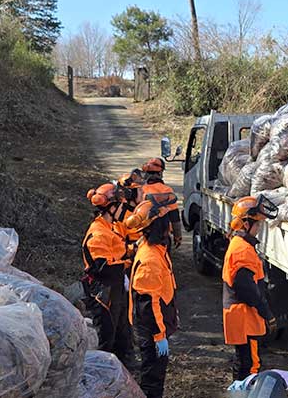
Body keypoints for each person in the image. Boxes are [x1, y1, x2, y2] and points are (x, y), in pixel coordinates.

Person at [125, 196, 180, 398]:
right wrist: (159, 336)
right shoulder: (150, 259)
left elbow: (163, 292)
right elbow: (147, 304)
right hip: (151, 331)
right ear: (159, 226)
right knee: (152, 380)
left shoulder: (158, 250)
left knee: (155, 376)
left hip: (157, 326)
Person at [223, 196, 278, 382]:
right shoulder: (242, 251)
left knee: (243, 361)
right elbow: (248, 291)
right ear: (246, 224)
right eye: (258, 225)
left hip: (241, 315)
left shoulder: (240, 245)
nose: (259, 229)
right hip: (245, 317)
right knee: (251, 365)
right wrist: (267, 314)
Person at [81, 183, 134, 367]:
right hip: (103, 290)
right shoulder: (97, 233)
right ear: (111, 207)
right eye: (121, 205)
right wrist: (127, 261)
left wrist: (131, 251)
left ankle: (124, 367)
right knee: (107, 334)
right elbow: (103, 266)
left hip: (116, 286)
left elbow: (117, 251)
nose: (124, 210)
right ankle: (101, 371)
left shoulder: (112, 227)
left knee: (122, 329)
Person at [140, 158, 184, 249]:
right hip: (160, 237)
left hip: (140, 236)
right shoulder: (166, 190)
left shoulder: (138, 190)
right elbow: (174, 216)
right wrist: (177, 236)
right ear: (160, 173)